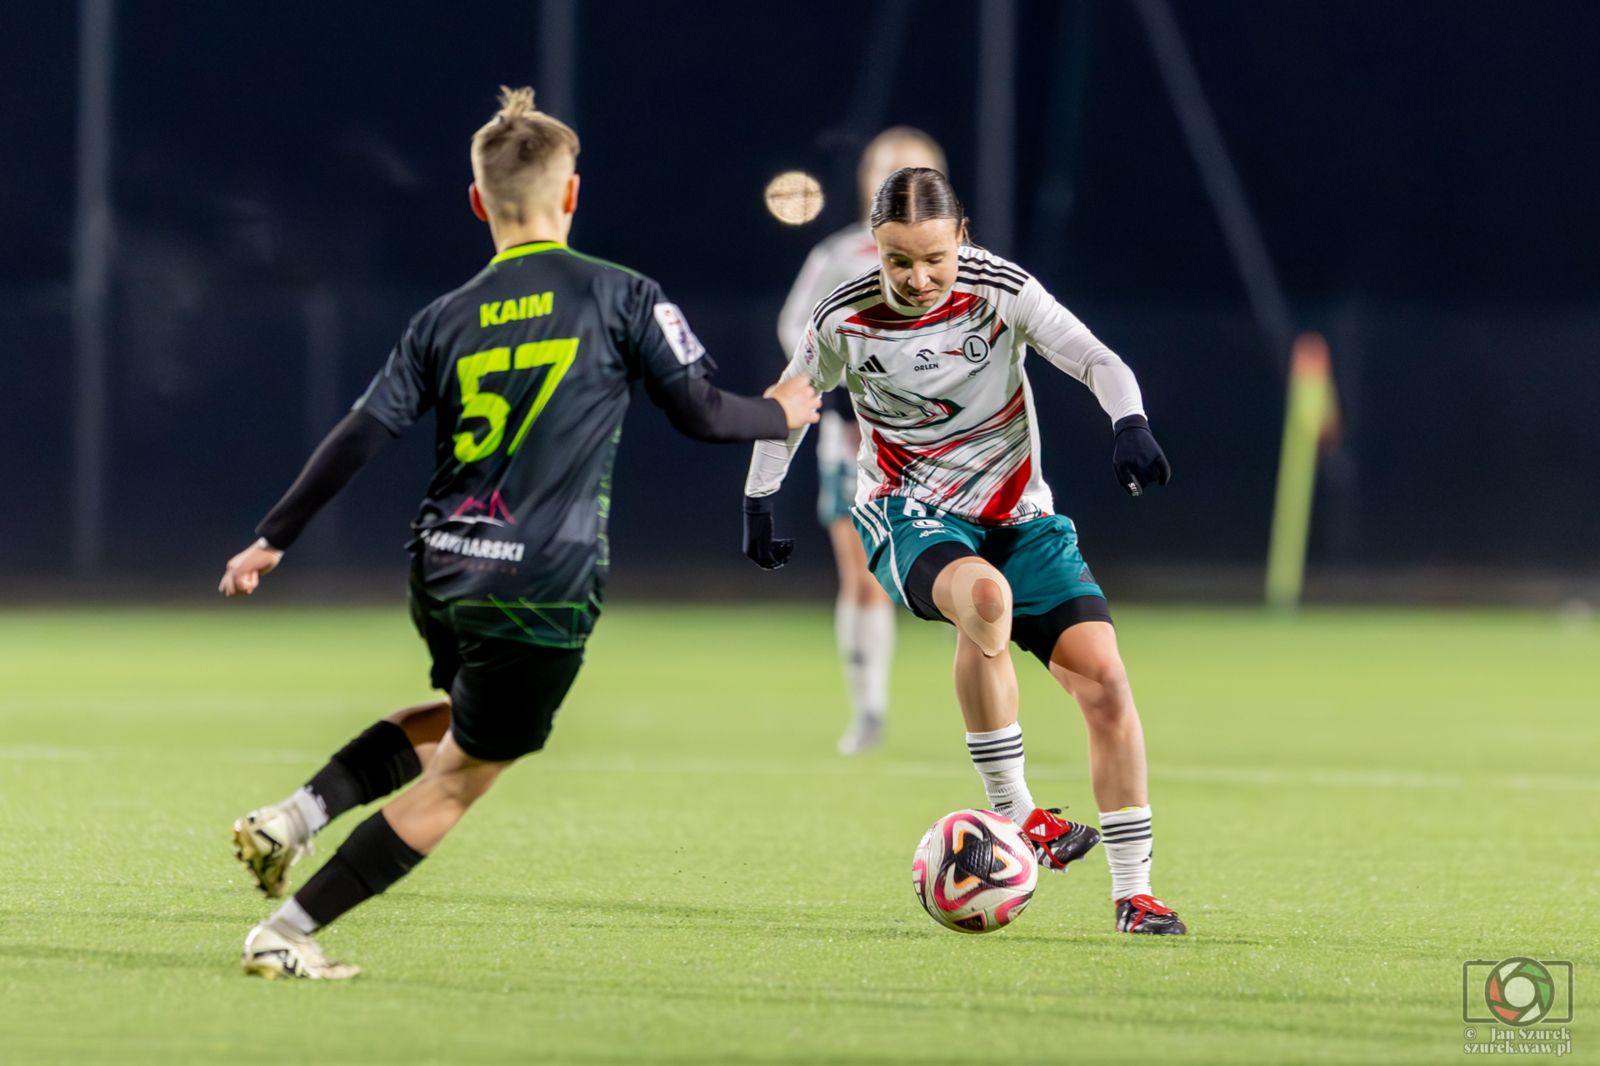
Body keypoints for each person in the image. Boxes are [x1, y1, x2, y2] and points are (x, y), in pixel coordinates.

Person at [220, 86, 820, 979]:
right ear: (571, 195)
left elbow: (360, 435)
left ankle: (295, 818)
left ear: (477, 203)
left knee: (465, 719)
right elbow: (699, 414)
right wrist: (781, 412)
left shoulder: (443, 316)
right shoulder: (622, 295)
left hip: (442, 567)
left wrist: (274, 535)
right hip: (541, 583)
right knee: (463, 775)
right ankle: (290, 931)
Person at [742, 167, 1185, 935]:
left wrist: (1129, 421)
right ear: (874, 249)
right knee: (985, 601)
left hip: (1021, 515)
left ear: (963, 238)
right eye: (897, 260)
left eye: (934, 258)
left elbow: (1096, 358)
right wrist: (757, 500)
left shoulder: (1001, 288)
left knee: (1107, 685)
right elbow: (789, 410)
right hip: (907, 511)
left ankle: (1133, 894)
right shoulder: (843, 318)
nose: (917, 277)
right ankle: (1017, 814)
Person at [776, 128, 947, 755]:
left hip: (949, 446)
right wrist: (839, 379)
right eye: (889, 172)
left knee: (980, 576)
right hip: (856, 441)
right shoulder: (841, 255)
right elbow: (795, 327)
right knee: (863, 573)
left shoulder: (962, 259)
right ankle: (869, 710)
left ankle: (992, 719)